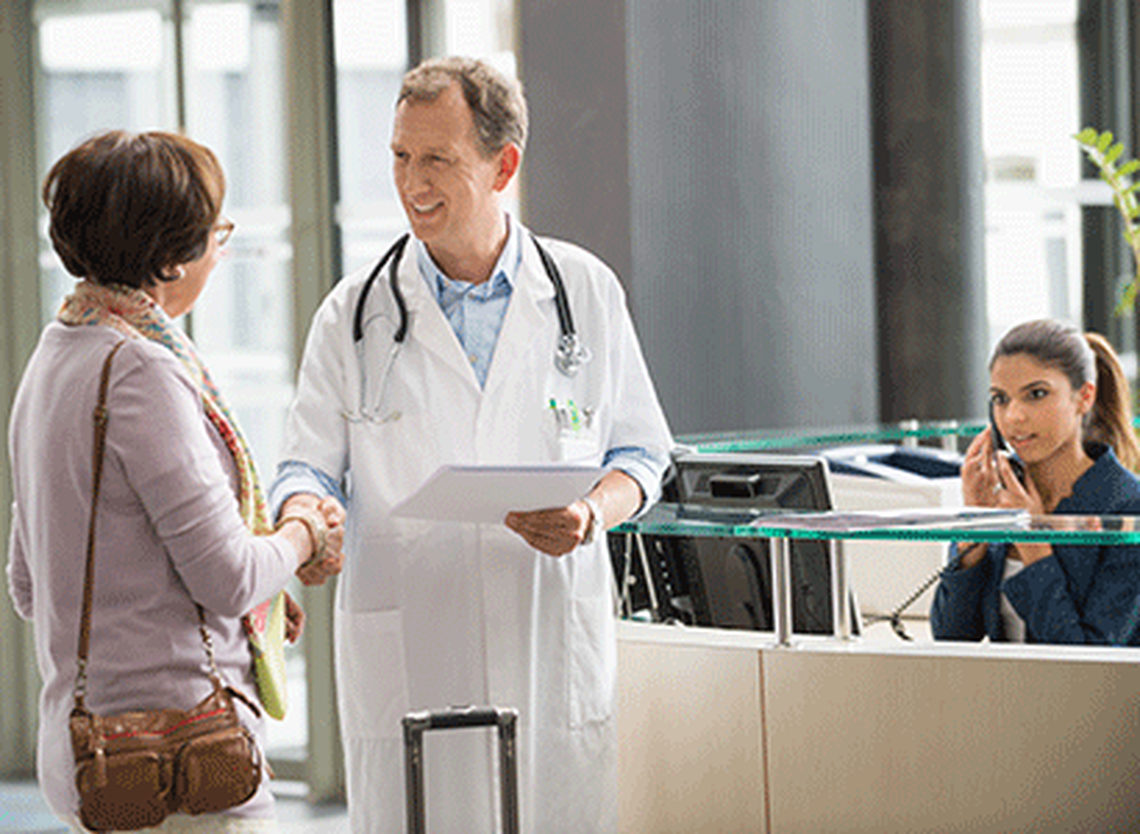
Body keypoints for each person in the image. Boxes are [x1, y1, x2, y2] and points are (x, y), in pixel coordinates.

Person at [271, 57, 673, 832]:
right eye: (399, 156)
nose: (411, 182)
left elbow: (642, 456)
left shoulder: (583, 292)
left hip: (546, 635)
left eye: (436, 160)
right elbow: (306, 464)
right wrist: (305, 515)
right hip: (410, 638)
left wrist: (590, 514)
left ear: (503, 165)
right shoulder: (353, 315)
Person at [6, 130, 345, 832]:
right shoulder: (141, 371)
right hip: (177, 760)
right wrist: (302, 532)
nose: (221, 249)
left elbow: (28, 585)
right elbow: (227, 578)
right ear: (168, 256)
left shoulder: (55, 355)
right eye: (214, 230)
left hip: (87, 756)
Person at [931, 318, 1140, 645]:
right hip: (1002, 692)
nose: (1013, 417)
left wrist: (1033, 545)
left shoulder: (1128, 507)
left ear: (1084, 397)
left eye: (1036, 394)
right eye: (1000, 399)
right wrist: (974, 526)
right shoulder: (1003, 497)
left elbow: (1089, 666)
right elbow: (952, 637)